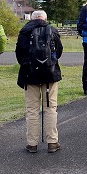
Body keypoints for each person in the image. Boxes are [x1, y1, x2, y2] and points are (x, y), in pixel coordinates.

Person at [15, 9, 63, 154]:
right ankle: (52, 142)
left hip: (30, 75)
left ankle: (32, 143)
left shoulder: (24, 31)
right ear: (44, 18)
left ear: (32, 18)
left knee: (32, 110)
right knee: (50, 108)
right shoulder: (52, 30)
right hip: (50, 74)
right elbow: (59, 51)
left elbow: (19, 54)